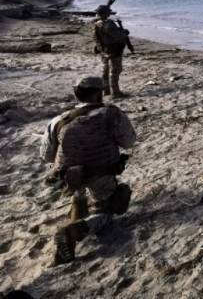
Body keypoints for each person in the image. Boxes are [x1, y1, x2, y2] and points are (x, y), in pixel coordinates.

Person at [41, 76, 136, 265]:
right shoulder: (111, 113)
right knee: (107, 212)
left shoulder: (59, 120)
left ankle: (78, 203)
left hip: (67, 177)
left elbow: (46, 156)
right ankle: (75, 230)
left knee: (78, 193)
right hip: (101, 173)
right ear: (98, 93)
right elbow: (129, 141)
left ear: (76, 94)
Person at [93, 4, 132, 98]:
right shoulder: (108, 24)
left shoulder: (97, 23)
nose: (110, 12)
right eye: (108, 11)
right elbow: (118, 36)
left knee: (105, 70)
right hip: (113, 50)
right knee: (115, 70)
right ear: (106, 13)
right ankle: (116, 92)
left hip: (103, 49)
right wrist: (125, 32)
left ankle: (106, 91)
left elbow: (97, 38)